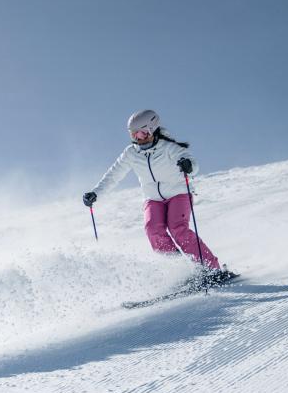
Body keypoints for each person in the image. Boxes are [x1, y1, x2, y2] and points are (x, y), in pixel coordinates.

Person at [83, 109, 229, 278]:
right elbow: (113, 175)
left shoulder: (168, 148)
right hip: (153, 199)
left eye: (142, 133)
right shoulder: (131, 153)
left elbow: (192, 164)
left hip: (178, 193)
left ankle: (212, 269)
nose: (138, 138)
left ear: (152, 129)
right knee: (153, 230)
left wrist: (188, 165)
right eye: (134, 134)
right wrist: (95, 193)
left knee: (178, 229)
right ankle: (182, 273)